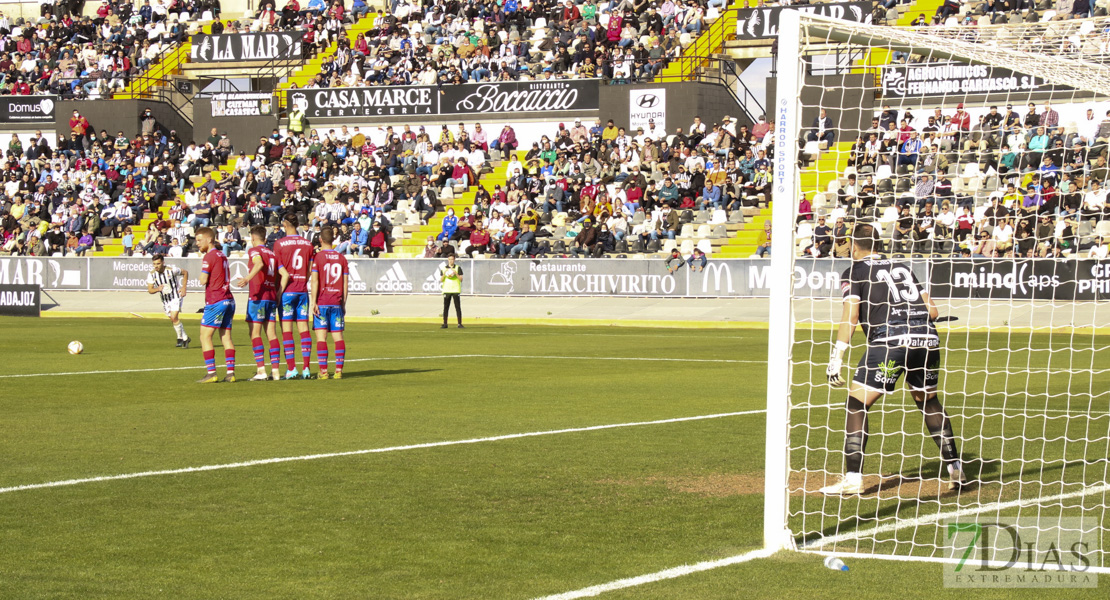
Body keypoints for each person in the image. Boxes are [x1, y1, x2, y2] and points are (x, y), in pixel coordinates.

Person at [821, 224, 964, 495]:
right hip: (927, 340)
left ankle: (853, 478)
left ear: (854, 245)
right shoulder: (905, 269)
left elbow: (851, 316)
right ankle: (955, 466)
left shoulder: (854, 271)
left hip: (890, 341)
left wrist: (836, 357)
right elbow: (932, 311)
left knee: (856, 403)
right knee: (928, 401)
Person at [235, 226, 282, 382]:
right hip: (271, 295)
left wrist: (247, 278)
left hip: (258, 296)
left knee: (255, 333)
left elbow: (259, 264)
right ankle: (275, 371)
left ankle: (261, 370)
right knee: (272, 334)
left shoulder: (254, 251)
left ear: (253, 239)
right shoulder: (273, 254)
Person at [274, 213, 316, 379]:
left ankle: (292, 368)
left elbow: (278, 270)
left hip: (286, 292)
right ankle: (306, 368)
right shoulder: (308, 244)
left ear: (285, 224)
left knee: (287, 331)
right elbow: (310, 269)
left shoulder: (279, 244)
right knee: (304, 329)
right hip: (302, 291)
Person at [195, 228, 237, 384]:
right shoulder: (222, 255)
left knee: (205, 336)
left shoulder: (209, 256)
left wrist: (201, 275)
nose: (197, 243)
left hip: (216, 300)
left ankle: (211, 373)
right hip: (229, 300)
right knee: (226, 337)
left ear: (209, 240)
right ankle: (230, 373)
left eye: (199, 240)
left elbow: (203, 280)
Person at [310, 228, 349, 380]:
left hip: (322, 301)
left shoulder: (318, 257)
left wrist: (313, 301)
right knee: (338, 337)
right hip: (336, 302)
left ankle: (324, 372)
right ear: (333, 239)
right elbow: (345, 283)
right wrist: (343, 303)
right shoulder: (341, 258)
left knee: (321, 338)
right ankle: (338, 371)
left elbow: (315, 280)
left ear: (320, 239)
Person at [146, 254, 190, 348]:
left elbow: (185, 272)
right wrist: (157, 289)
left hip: (176, 296)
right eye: (154, 264)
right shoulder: (152, 274)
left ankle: (181, 339)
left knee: (174, 317)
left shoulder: (171, 270)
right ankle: (184, 338)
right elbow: (150, 290)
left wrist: (184, 287)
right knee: (173, 319)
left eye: (158, 263)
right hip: (165, 299)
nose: (156, 266)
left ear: (163, 262)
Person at [437, 253, 464, 329]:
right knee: (446, 307)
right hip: (447, 290)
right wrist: (444, 274)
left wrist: (456, 274)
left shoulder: (458, 268)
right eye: (449, 259)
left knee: (457, 307)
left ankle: (459, 323)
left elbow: (461, 279)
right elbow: (441, 280)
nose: (451, 261)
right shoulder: (444, 269)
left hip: (455, 289)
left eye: (452, 259)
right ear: (448, 260)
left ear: (454, 260)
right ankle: (445, 323)